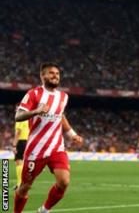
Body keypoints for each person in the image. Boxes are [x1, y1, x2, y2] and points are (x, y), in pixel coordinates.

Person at [13, 63, 83, 213]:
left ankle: (44, 210)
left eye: (57, 74)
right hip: (35, 150)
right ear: (42, 76)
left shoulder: (63, 97)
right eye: (51, 73)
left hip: (56, 148)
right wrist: (36, 111)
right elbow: (18, 116)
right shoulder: (34, 94)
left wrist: (72, 134)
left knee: (64, 181)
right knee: (25, 187)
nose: (55, 76)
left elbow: (60, 115)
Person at [12, 104, 29, 189]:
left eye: (17, 109)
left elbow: (18, 133)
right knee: (21, 162)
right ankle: (22, 182)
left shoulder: (20, 119)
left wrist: (14, 145)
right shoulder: (26, 119)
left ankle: (20, 184)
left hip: (21, 141)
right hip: (25, 141)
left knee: (19, 162)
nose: (16, 110)